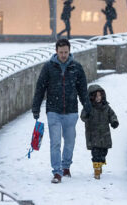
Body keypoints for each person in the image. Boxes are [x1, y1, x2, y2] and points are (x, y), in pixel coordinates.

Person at [32, 39, 91, 184]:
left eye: (66, 52)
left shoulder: (76, 67)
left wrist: (87, 105)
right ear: (56, 51)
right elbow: (40, 88)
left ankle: (66, 167)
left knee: (70, 142)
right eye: (61, 52)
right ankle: (57, 172)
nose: (64, 55)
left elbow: (83, 89)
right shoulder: (48, 67)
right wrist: (36, 107)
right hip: (53, 111)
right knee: (55, 142)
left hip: (71, 112)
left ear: (69, 51)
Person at [80, 84, 119, 179]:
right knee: (95, 153)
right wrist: (87, 115)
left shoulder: (106, 107)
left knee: (103, 153)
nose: (98, 98)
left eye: (100, 96)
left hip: (104, 135)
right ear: (91, 97)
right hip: (93, 135)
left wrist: (114, 121)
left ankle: (100, 164)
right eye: (96, 96)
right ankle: (96, 171)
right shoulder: (89, 108)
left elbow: (112, 115)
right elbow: (83, 116)